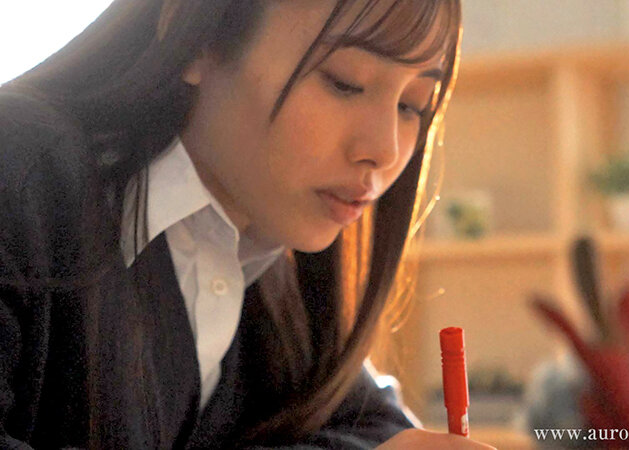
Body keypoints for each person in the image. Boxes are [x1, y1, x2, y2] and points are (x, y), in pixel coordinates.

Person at [0, 0, 495, 448]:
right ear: (197, 39)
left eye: (412, 105)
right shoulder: (19, 172)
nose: (385, 150)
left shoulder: (268, 260)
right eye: (344, 82)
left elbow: (374, 423)